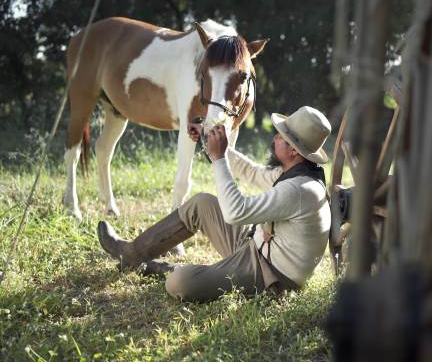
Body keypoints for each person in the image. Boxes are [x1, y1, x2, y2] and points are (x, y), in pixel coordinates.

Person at [97, 106, 332, 302]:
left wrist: (219, 158)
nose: (275, 138)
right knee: (202, 203)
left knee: (180, 282)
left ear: (293, 150)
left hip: (270, 275)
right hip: (255, 246)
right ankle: (131, 254)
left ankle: (165, 268)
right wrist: (209, 139)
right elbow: (251, 172)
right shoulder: (296, 173)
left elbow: (235, 212)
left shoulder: (299, 190)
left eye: (281, 136)